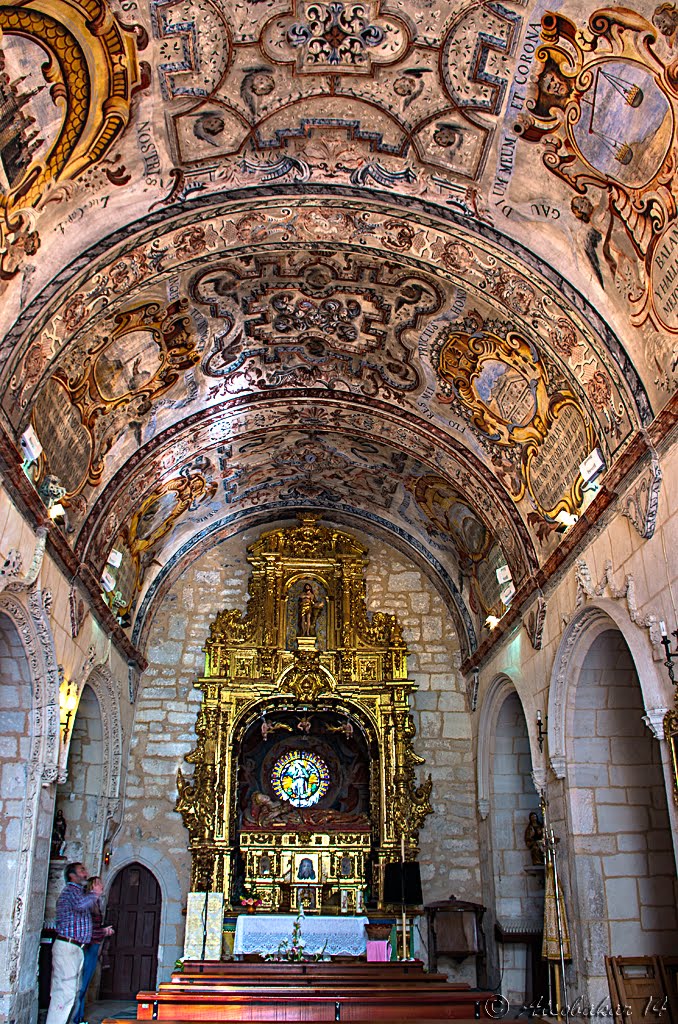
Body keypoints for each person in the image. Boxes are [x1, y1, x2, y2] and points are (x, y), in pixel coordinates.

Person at [46, 863, 103, 1024]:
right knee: (64, 993)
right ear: (72, 875)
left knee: (74, 992)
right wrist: (94, 894)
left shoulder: (79, 892)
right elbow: (79, 906)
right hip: (67, 947)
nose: (86, 873)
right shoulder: (70, 891)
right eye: (82, 871)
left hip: (77, 948)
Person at [71, 876, 114, 1024]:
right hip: (88, 945)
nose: (101, 886)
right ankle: (76, 1017)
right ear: (92, 887)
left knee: (86, 981)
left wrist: (102, 930)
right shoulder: (88, 904)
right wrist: (104, 932)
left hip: (94, 944)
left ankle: (80, 1016)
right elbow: (87, 928)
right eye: (98, 884)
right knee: (81, 984)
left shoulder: (96, 903)